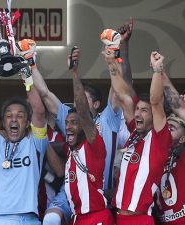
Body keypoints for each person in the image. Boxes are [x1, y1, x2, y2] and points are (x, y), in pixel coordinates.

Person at [105, 50, 172, 224]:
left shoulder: (159, 140)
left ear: (154, 116)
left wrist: (157, 70)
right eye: (137, 109)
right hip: (118, 217)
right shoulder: (134, 133)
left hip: (140, 219)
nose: (137, 114)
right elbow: (121, 95)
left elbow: (156, 102)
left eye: (144, 110)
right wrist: (111, 63)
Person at [0, 70, 48, 224]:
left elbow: (39, 112)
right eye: (9, 116)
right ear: (3, 122)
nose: (14, 119)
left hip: (30, 218)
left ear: (28, 123)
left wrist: (27, 77)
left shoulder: (35, 143)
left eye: (20, 116)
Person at [62, 47, 114, 224]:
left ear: (85, 127)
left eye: (74, 123)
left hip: (96, 217)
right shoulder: (71, 151)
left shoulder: (94, 145)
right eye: (67, 123)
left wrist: (75, 73)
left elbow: (83, 111)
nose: (69, 127)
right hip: (77, 219)